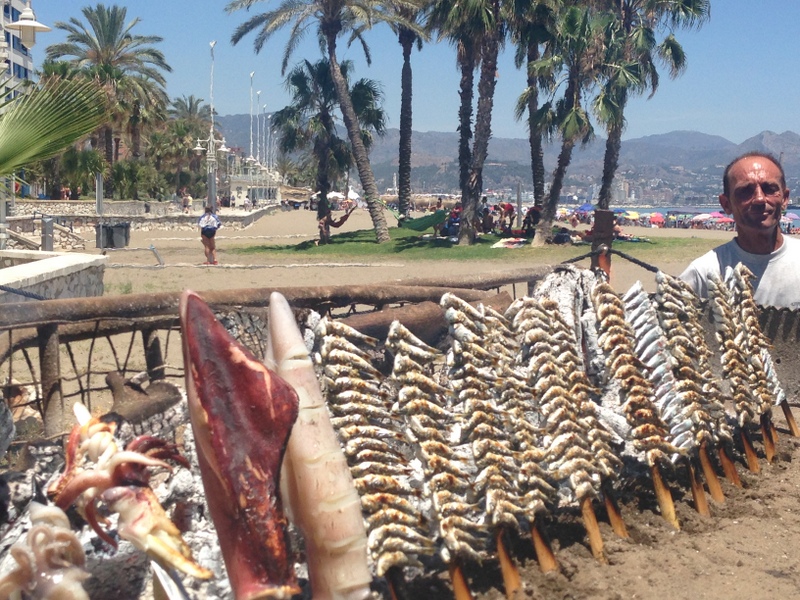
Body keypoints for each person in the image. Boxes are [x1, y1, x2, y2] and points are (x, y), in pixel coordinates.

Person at [680, 152, 800, 308]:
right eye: (745, 191)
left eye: (769, 189)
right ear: (726, 204)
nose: (759, 199)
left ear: (784, 199)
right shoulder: (704, 274)